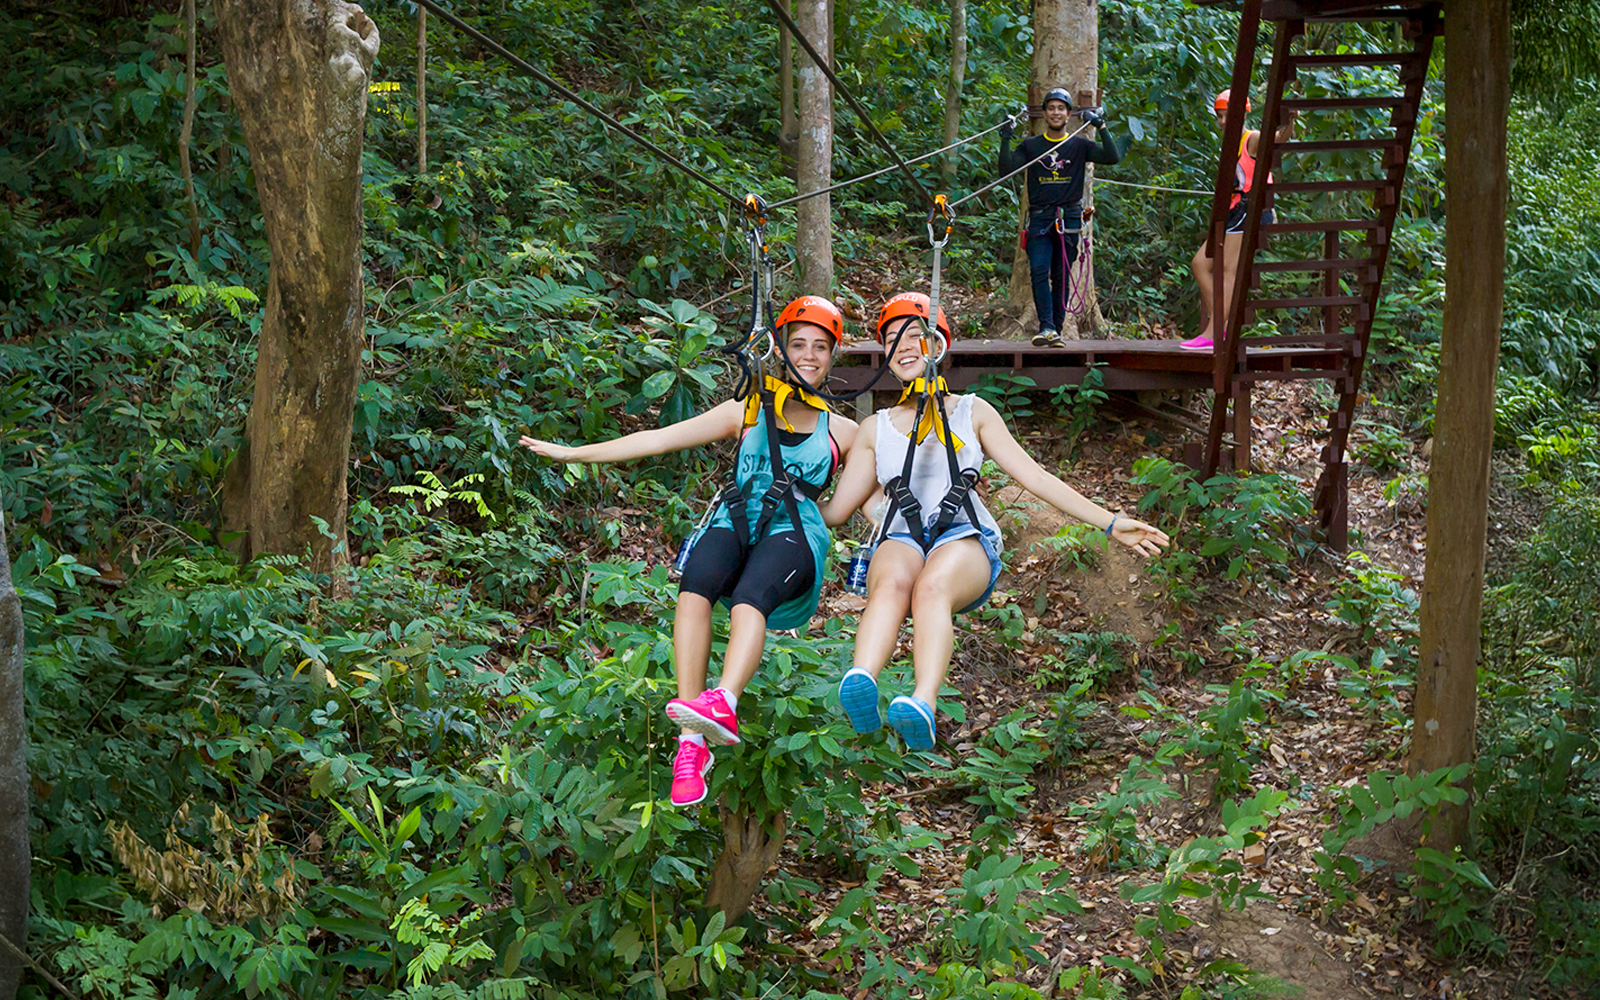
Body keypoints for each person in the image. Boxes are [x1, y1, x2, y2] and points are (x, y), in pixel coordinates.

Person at [520, 296, 859, 807]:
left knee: (750, 598)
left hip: (795, 529)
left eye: (820, 348)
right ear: (781, 351)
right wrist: (574, 453)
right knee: (695, 584)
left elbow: (853, 506)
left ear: (833, 357)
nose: (809, 355)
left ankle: (723, 699)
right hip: (736, 516)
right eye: (798, 345)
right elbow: (658, 439)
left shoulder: (846, 432)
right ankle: (691, 741)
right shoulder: (745, 408)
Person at [820, 293, 1169, 750]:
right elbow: (836, 510)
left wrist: (1109, 522)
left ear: (938, 344)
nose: (902, 346)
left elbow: (1035, 477)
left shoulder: (971, 411)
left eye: (914, 335)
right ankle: (861, 678)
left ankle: (921, 702)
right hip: (902, 535)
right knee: (891, 583)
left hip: (962, 535)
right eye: (891, 339)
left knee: (931, 589)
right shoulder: (876, 427)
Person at [998, 87, 1122, 348]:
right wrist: (1006, 139)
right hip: (1041, 218)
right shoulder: (1032, 146)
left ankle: (1056, 328)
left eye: (1061, 108)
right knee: (1039, 269)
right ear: (1044, 113)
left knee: (1061, 274)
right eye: (1051, 108)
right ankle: (1047, 326)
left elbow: (1112, 157)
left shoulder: (1079, 145)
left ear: (1068, 114)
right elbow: (1007, 170)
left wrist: (1101, 127)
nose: (1056, 112)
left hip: (1069, 218)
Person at [1184, 89, 1299, 352]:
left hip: (1251, 210)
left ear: (1241, 114)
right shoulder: (1229, 143)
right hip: (1234, 211)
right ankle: (1223, 326)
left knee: (1228, 271)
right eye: (1220, 117)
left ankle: (1213, 333)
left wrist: (1289, 122)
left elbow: (1278, 139)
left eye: (1227, 116)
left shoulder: (1252, 138)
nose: (1223, 122)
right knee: (1200, 264)